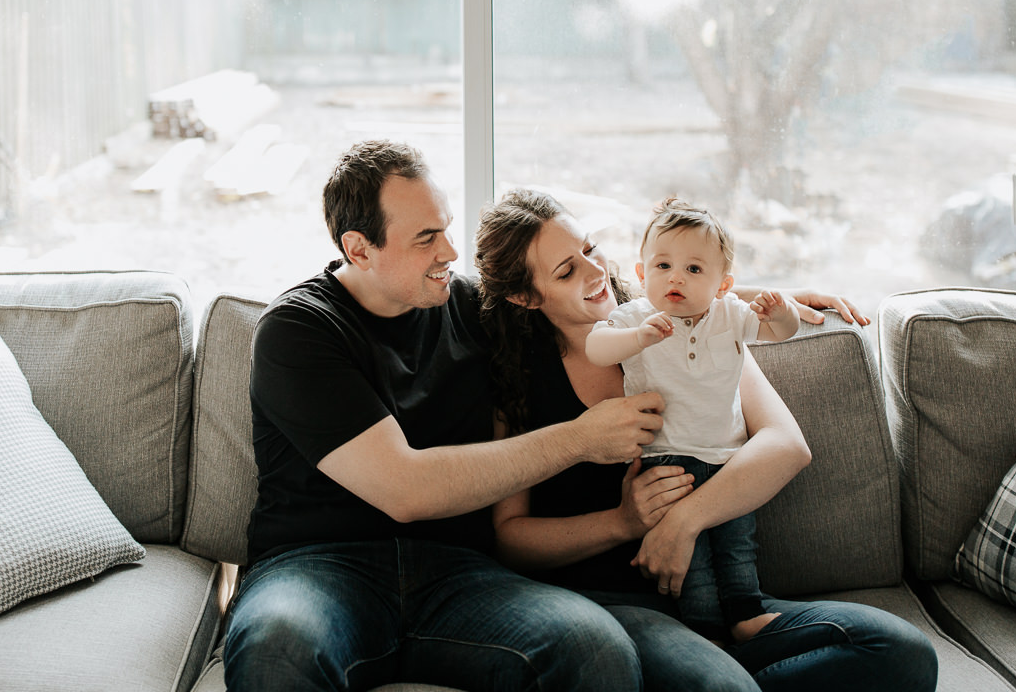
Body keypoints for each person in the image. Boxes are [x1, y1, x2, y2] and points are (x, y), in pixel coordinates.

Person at [223, 141, 663, 691]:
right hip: (319, 568)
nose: (452, 251)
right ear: (359, 249)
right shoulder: (298, 330)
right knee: (276, 648)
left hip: (460, 574)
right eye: (426, 238)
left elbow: (591, 302)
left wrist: (738, 299)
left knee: (595, 648)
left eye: (447, 227)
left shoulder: (475, 310)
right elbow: (405, 489)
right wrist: (577, 440)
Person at [476, 188, 938, 692]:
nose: (593, 272)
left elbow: (785, 446)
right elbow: (511, 540)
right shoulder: (520, 380)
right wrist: (624, 522)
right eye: (565, 271)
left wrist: (682, 523)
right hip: (621, 605)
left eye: (589, 249)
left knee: (902, 652)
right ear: (525, 296)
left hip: (729, 599)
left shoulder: (697, 325)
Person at [587, 198, 800, 643]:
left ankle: (746, 615)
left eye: (694, 269)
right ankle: (704, 630)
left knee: (737, 547)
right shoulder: (635, 317)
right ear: (642, 274)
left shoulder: (731, 316)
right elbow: (596, 349)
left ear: (724, 285)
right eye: (662, 265)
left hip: (729, 460)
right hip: (666, 462)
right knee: (695, 563)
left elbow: (782, 332)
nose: (676, 277)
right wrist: (636, 338)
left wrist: (782, 313)